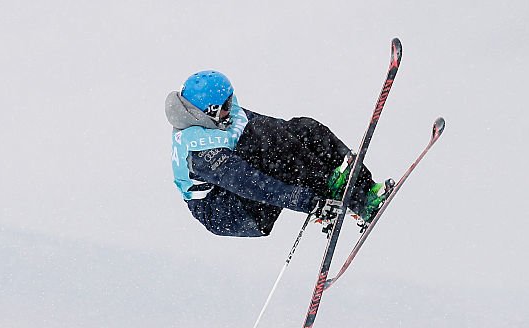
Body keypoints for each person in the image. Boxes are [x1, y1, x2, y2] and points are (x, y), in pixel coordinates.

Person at [166, 70, 392, 237]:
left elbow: (283, 135)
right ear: (209, 111)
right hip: (228, 212)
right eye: (225, 104)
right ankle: (344, 196)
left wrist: (322, 153)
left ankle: (364, 192)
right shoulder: (198, 150)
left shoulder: (223, 114)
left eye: (230, 99)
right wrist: (308, 202)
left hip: (245, 187)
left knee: (305, 128)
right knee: (264, 140)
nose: (231, 106)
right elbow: (247, 182)